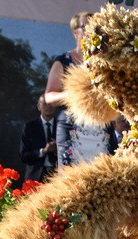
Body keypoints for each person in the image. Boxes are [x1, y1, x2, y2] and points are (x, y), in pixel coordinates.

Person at [45, 11, 110, 167]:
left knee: (100, 178)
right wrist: (75, 94)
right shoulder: (64, 61)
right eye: (86, 26)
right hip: (71, 127)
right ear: (76, 32)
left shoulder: (104, 63)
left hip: (99, 128)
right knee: (71, 181)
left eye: (96, 28)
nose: (90, 31)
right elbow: (49, 97)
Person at [20, 95, 59, 181]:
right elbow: (23, 156)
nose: (48, 106)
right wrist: (43, 151)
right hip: (35, 176)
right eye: (45, 104)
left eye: (51, 103)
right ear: (39, 107)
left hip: (58, 175)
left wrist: (57, 150)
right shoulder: (30, 127)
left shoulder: (62, 127)